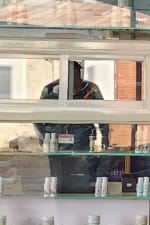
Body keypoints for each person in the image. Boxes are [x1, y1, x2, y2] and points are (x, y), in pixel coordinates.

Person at [36, 60, 109, 194]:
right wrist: (45, 138)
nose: (75, 78)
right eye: (70, 75)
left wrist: (105, 137)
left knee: (82, 177)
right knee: (58, 180)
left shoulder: (91, 89)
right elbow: (38, 117)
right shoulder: (50, 90)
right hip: (57, 143)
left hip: (82, 142)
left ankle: (82, 197)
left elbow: (102, 115)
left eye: (76, 74)